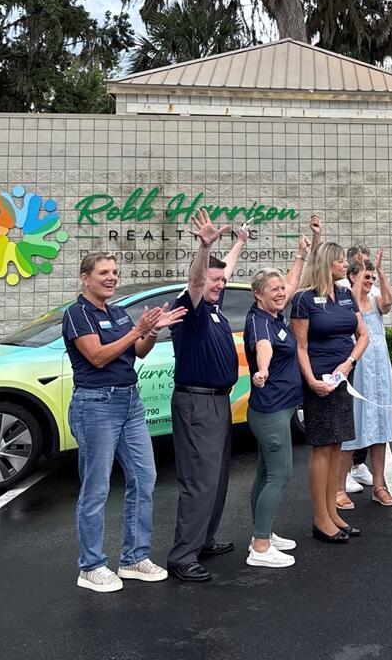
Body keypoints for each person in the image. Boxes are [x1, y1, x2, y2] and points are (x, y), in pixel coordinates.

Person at [62, 252, 186, 593]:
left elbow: (140, 351)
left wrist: (152, 332)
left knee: (144, 477)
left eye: (115, 272)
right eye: (103, 272)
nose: (111, 277)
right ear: (85, 278)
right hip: (95, 405)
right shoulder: (77, 314)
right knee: (96, 488)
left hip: (129, 401)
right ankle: (91, 566)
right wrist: (137, 331)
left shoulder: (117, 312)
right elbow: (98, 357)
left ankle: (134, 558)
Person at [166, 210, 250, 583]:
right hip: (196, 403)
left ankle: (204, 540)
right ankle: (183, 556)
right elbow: (199, 280)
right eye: (214, 280)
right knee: (199, 479)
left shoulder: (215, 307)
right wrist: (205, 247)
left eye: (222, 280)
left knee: (216, 478)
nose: (220, 284)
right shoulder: (191, 308)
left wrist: (238, 245)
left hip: (218, 401)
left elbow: (221, 271)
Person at [290, 241, 369, 543]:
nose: (344, 266)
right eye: (339, 261)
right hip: (320, 381)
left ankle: (333, 513)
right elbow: (301, 346)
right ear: (325, 264)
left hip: (342, 379)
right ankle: (320, 518)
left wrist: (349, 363)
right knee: (322, 447)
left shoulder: (347, 295)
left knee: (337, 444)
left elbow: (362, 335)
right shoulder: (304, 299)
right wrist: (311, 380)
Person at [243, 240, 309, 569]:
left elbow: (293, 283)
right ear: (258, 294)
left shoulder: (275, 313)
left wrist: (300, 254)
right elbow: (264, 347)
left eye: (281, 288)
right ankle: (260, 546)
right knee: (280, 475)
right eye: (273, 289)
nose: (281, 292)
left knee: (265, 473)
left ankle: (264, 531)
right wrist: (264, 369)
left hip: (279, 407)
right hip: (269, 409)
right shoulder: (259, 321)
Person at [339, 256, 392, 509]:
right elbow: (351, 308)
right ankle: (339, 488)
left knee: (381, 428)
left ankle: (379, 486)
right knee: (352, 426)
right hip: (358, 371)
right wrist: (359, 278)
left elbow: (389, 302)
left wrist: (381, 273)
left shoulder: (375, 299)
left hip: (380, 373)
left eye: (371, 277)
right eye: (365, 276)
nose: (370, 281)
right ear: (352, 277)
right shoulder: (345, 300)